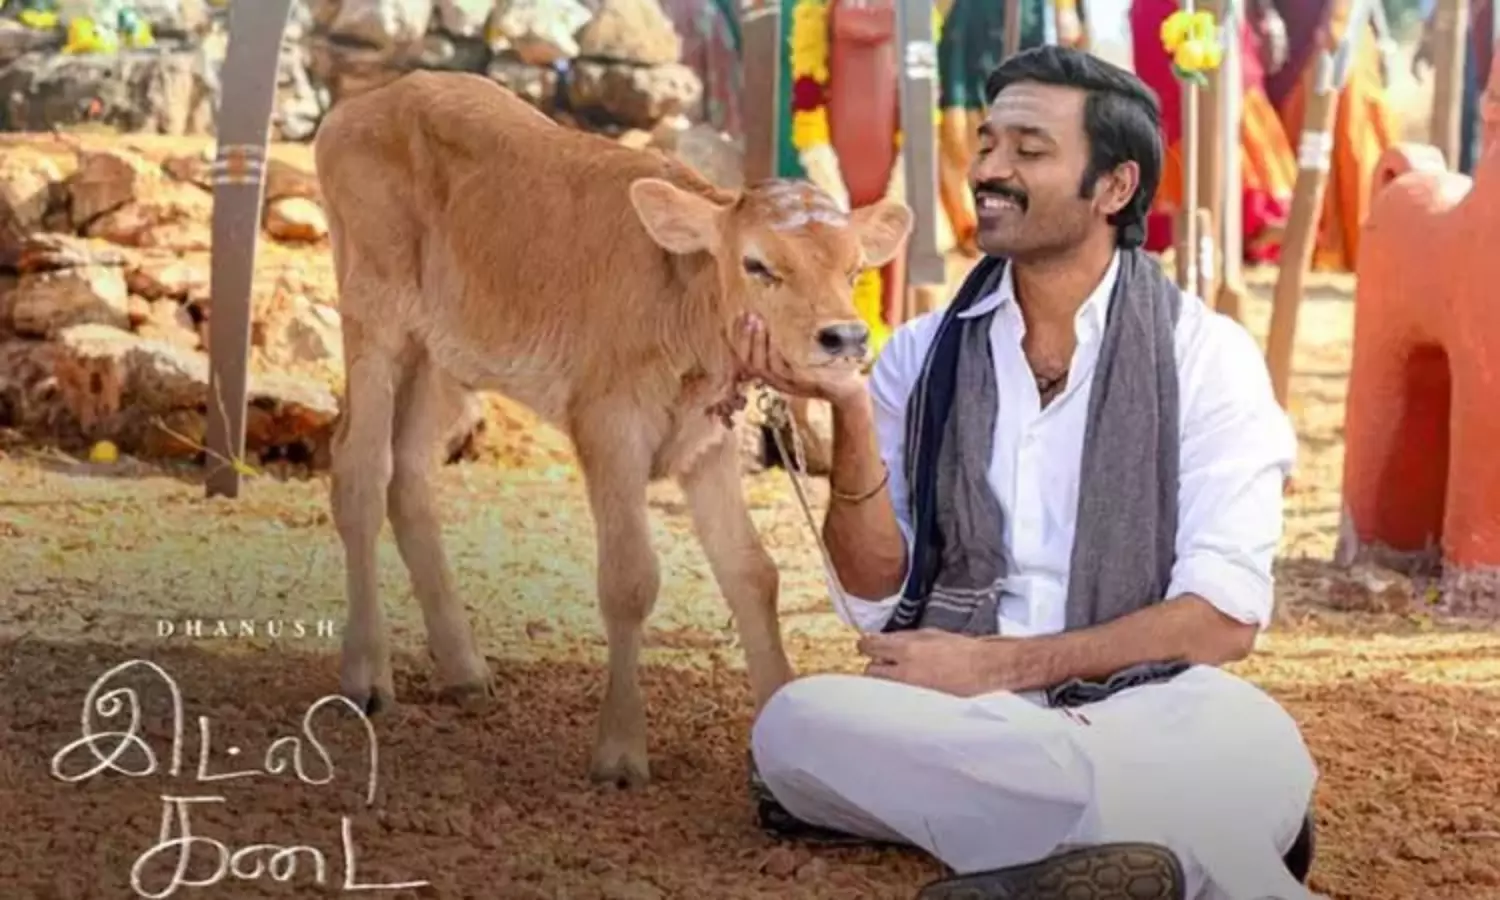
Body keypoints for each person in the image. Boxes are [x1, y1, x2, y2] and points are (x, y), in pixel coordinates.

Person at [735, 46, 1318, 900]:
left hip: (1151, 702)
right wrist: (850, 409)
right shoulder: (922, 355)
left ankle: (1067, 853)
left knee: (1252, 734)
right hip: (959, 714)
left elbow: (1221, 619)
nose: (988, 170)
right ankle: (1172, 848)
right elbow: (872, 599)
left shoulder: (1205, 355)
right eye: (986, 144)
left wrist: (1000, 667)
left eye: (1028, 150)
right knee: (795, 727)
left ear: (1113, 187)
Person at [1128, 0, 1299, 265]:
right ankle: (1203, 226)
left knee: (1234, 89)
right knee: (1173, 102)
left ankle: (1253, 222)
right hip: (1162, 14)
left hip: (1215, 14)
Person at [1263, 0, 1400, 272]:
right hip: (1297, 29)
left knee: (1354, 136)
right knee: (1305, 127)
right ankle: (1308, 241)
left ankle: (1362, 243)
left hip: (1345, 26)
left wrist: (1382, 37)